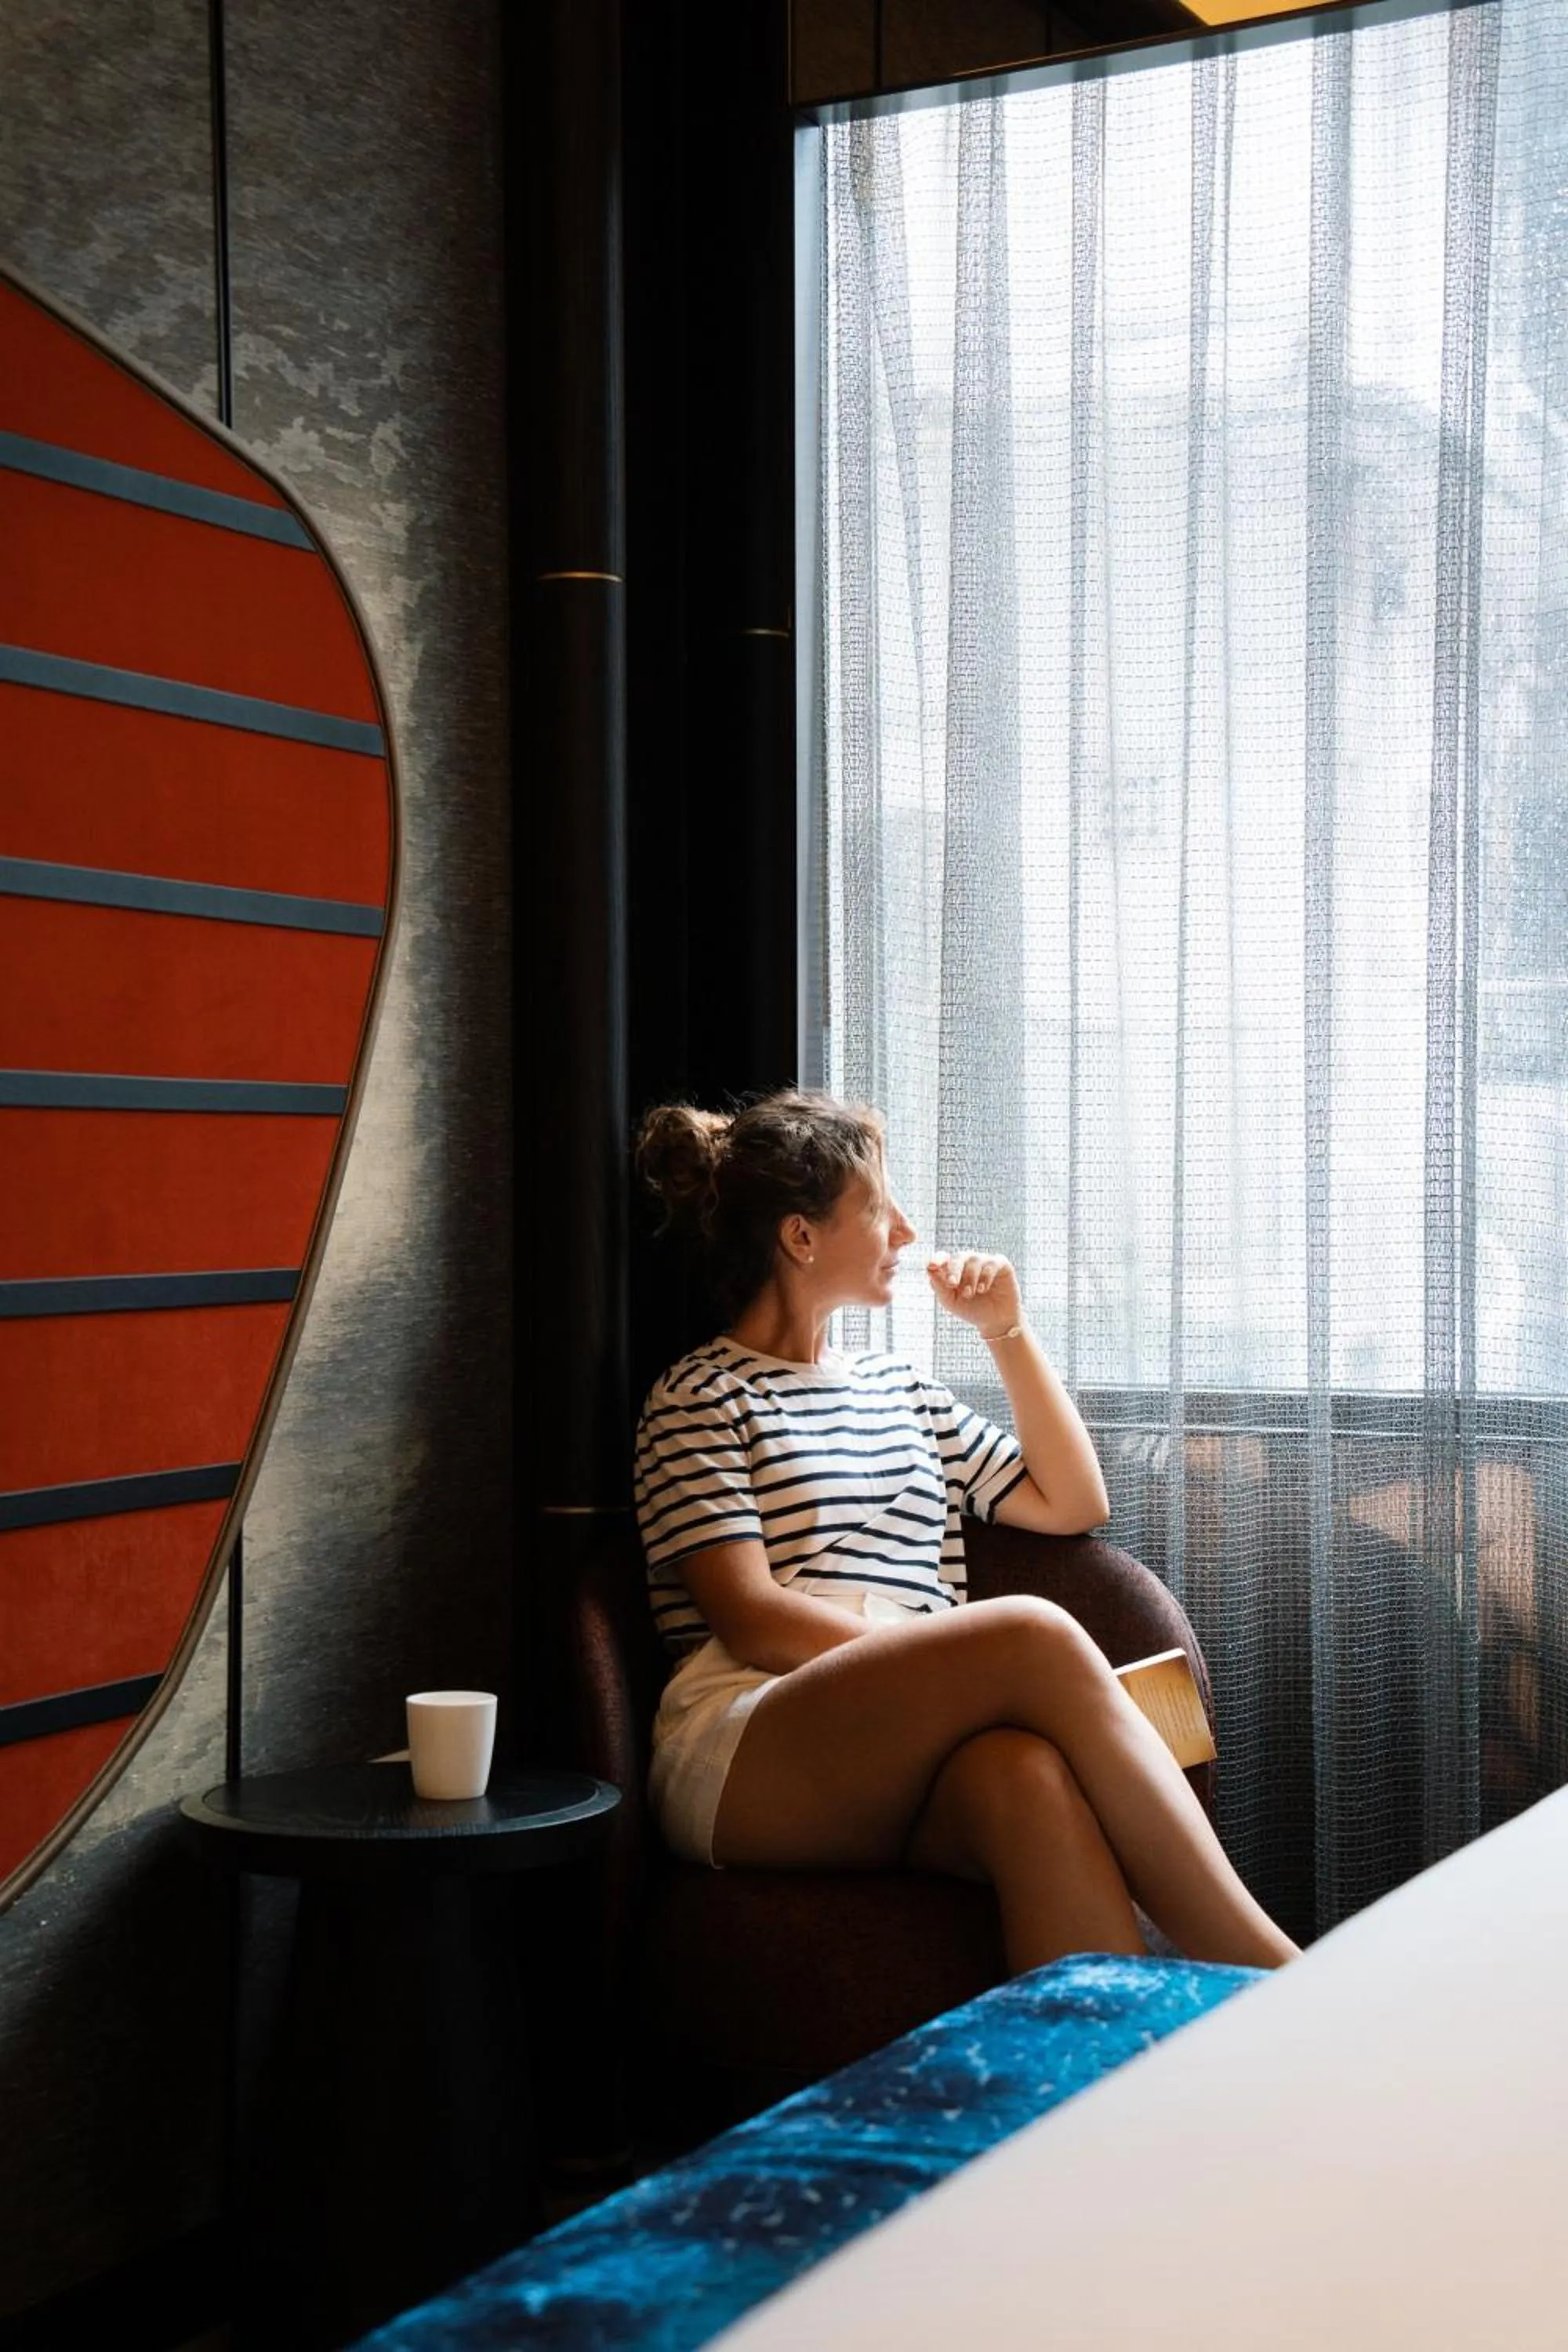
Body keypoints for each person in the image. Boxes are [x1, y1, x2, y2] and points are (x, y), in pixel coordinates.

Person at [633, 1089, 1298, 1973]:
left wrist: (1006, 1332)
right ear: (800, 1237)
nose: (904, 1232)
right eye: (877, 1208)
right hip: (747, 1747)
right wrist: (963, 1664)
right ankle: (1272, 1975)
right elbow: (751, 1618)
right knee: (1026, 1633)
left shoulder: (902, 1391)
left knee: (1023, 1780)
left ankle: (1119, 2086)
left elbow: (1071, 1503)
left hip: (905, 1737)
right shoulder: (700, 1396)